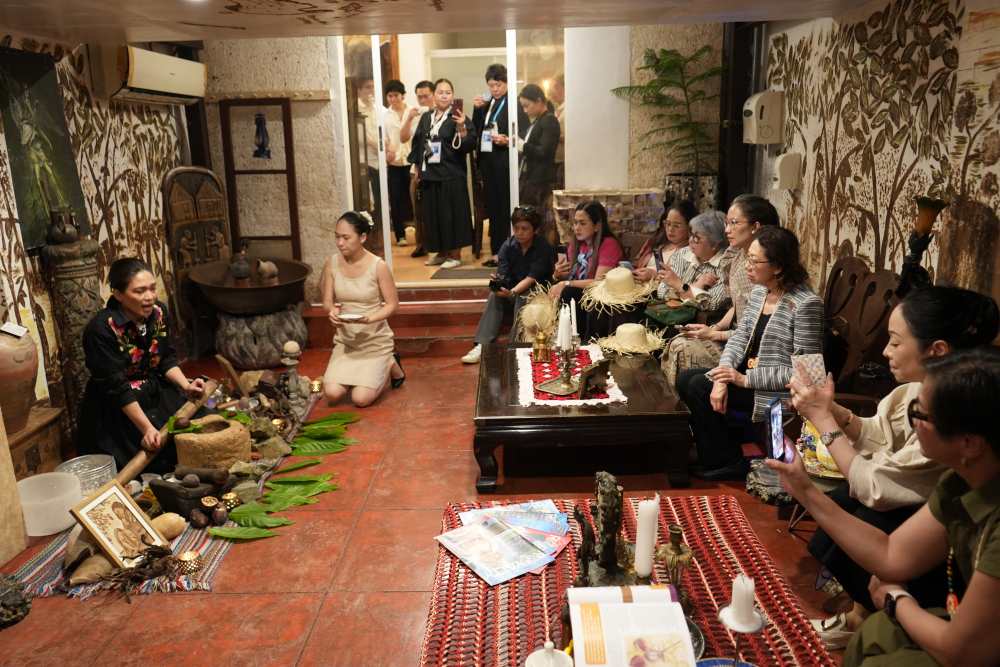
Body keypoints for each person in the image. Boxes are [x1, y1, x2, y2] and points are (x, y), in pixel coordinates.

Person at [790, 286, 999, 646]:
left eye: (895, 342)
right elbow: (891, 555)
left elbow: (962, 651)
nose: (885, 351)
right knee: (845, 503)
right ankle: (861, 614)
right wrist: (830, 416)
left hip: (958, 630)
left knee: (866, 514)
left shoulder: (954, 425)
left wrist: (895, 601)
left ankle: (868, 616)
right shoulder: (951, 476)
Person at [675, 226, 823, 480]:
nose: (747, 266)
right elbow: (740, 337)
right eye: (748, 259)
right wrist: (723, 376)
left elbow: (806, 374)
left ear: (778, 267)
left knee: (699, 385)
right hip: (747, 375)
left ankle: (726, 461)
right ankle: (717, 451)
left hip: (775, 390)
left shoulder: (806, 304)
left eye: (754, 261)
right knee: (686, 379)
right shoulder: (761, 292)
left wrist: (744, 380)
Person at [77, 258, 206, 474]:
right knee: (156, 458)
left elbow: (165, 357)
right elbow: (116, 386)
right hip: (118, 404)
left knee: (198, 427)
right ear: (118, 294)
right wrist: (147, 429)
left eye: (152, 288)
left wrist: (186, 386)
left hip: (153, 388)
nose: (149, 297)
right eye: (139, 291)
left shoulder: (159, 312)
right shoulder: (101, 330)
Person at [662, 194, 779, 389]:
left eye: (734, 223)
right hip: (737, 337)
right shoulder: (737, 256)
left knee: (682, 349)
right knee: (677, 340)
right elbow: (738, 305)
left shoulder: (762, 269)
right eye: (726, 223)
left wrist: (715, 334)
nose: (727, 230)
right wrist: (715, 328)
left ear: (756, 227)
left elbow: (754, 329)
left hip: (753, 352)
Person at [321, 212, 405, 407]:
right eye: (337, 237)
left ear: (363, 237)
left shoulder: (378, 266)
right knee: (332, 394)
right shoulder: (332, 263)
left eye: (346, 237)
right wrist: (332, 311)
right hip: (346, 341)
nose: (340, 243)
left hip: (374, 341)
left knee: (361, 399)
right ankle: (362, 373)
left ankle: (389, 361)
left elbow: (392, 305)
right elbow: (327, 301)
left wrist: (369, 318)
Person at [461, 206, 555, 364]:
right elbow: (503, 274)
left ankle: (516, 345)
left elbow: (532, 278)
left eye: (524, 228)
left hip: (536, 293)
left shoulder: (542, 247)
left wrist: (512, 292)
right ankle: (481, 345)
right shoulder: (508, 246)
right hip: (513, 290)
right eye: (516, 228)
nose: (519, 232)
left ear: (535, 230)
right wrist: (498, 283)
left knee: (522, 295)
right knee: (494, 296)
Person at [407, 78, 476, 270]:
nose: (444, 96)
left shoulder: (458, 116)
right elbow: (418, 143)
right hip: (430, 174)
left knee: (451, 216)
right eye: (440, 92)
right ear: (434, 96)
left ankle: (455, 254)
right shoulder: (427, 117)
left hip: (451, 174)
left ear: (452, 96)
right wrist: (417, 167)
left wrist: (461, 127)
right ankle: (440, 252)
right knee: (433, 216)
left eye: (448, 92)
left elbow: (470, 144)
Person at [643, 210, 731, 360]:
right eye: (691, 235)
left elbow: (711, 303)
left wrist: (679, 285)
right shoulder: (682, 254)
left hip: (702, 325)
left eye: (697, 238)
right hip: (669, 316)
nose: (690, 241)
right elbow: (662, 291)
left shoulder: (725, 265)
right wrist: (694, 286)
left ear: (715, 244)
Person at [472, 64, 529, 268]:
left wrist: (508, 140)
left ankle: (508, 251)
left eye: (498, 85)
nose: (495, 89)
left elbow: (524, 133)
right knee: (494, 209)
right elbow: (478, 129)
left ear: (506, 83)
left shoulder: (514, 103)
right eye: (491, 85)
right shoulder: (489, 103)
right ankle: (497, 252)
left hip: (504, 161)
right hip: (488, 162)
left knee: (505, 207)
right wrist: (477, 109)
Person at [549, 200, 623, 336]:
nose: (576, 228)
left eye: (582, 223)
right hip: (581, 294)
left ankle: (578, 339)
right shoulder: (576, 245)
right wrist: (558, 275)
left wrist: (566, 283)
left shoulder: (609, 244)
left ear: (597, 226)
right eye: (575, 223)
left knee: (569, 292)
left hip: (602, 296)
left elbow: (599, 282)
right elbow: (574, 277)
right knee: (559, 290)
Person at [517, 84, 561, 243]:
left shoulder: (549, 121)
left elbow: (545, 152)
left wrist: (523, 146)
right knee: (532, 220)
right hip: (532, 178)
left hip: (541, 180)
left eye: (527, 106)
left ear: (539, 101)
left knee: (540, 221)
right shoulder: (537, 121)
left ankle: (542, 252)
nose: (525, 110)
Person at [401, 80, 434, 258]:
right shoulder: (413, 113)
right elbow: (403, 138)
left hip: (435, 170)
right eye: (419, 97)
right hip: (416, 169)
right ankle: (421, 244)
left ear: (433, 95)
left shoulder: (438, 114)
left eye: (425, 96)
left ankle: (437, 244)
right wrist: (409, 118)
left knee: (433, 209)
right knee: (418, 210)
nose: (422, 100)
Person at [633, 200, 697, 283]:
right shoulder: (657, 243)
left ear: (689, 227)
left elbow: (684, 283)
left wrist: (654, 275)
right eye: (668, 224)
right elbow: (637, 265)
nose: (670, 229)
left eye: (676, 226)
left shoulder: (692, 253)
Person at [382, 79, 414, 246]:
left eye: (396, 95)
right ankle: (400, 236)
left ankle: (420, 233)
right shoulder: (385, 115)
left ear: (403, 95)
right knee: (395, 199)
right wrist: (387, 150)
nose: (393, 99)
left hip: (411, 161)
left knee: (414, 198)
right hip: (394, 163)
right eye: (390, 96)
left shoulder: (412, 111)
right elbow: (383, 138)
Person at [356, 78, 382, 229]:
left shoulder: (377, 107)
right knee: (366, 199)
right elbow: (361, 136)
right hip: (364, 160)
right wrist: (378, 145)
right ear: (359, 90)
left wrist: (385, 145)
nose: (371, 90)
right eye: (367, 87)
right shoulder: (357, 108)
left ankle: (378, 229)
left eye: (373, 87)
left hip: (379, 160)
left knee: (379, 198)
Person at [551, 73, 566, 190]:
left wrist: (553, 136)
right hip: (556, 159)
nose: (553, 91)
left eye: (556, 87)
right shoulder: (558, 109)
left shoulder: (569, 109)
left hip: (564, 159)